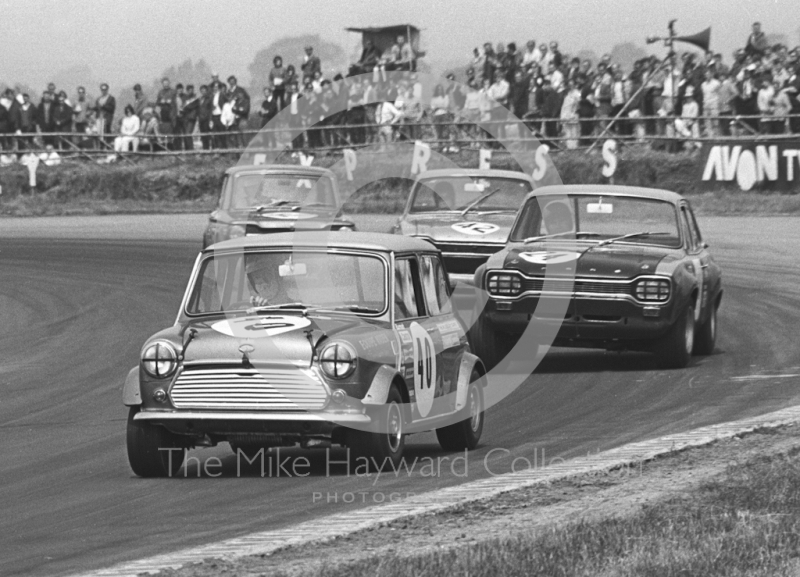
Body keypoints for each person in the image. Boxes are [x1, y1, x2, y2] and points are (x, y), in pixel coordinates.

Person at [227, 75, 250, 148]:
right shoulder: (228, 91)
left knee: (243, 135)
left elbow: (247, 99)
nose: (232, 83)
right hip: (232, 116)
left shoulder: (240, 89)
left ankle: (245, 151)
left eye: (233, 81)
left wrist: (243, 109)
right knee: (234, 135)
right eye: (230, 82)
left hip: (241, 116)